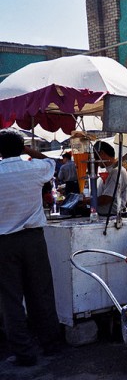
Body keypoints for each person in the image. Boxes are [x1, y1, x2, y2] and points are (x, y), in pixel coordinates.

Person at [0, 128, 62, 367]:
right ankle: (51, 344)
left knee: (11, 299)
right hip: (33, 239)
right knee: (41, 292)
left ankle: (24, 352)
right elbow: (51, 161)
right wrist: (27, 151)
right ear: (22, 147)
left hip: (4, 242)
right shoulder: (35, 169)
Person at [91, 141, 127, 216]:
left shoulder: (117, 171)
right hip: (105, 215)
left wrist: (86, 201)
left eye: (95, 157)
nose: (95, 160)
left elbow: (107, 198)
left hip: (113, 217)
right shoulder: (109, 171)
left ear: (102, 154)